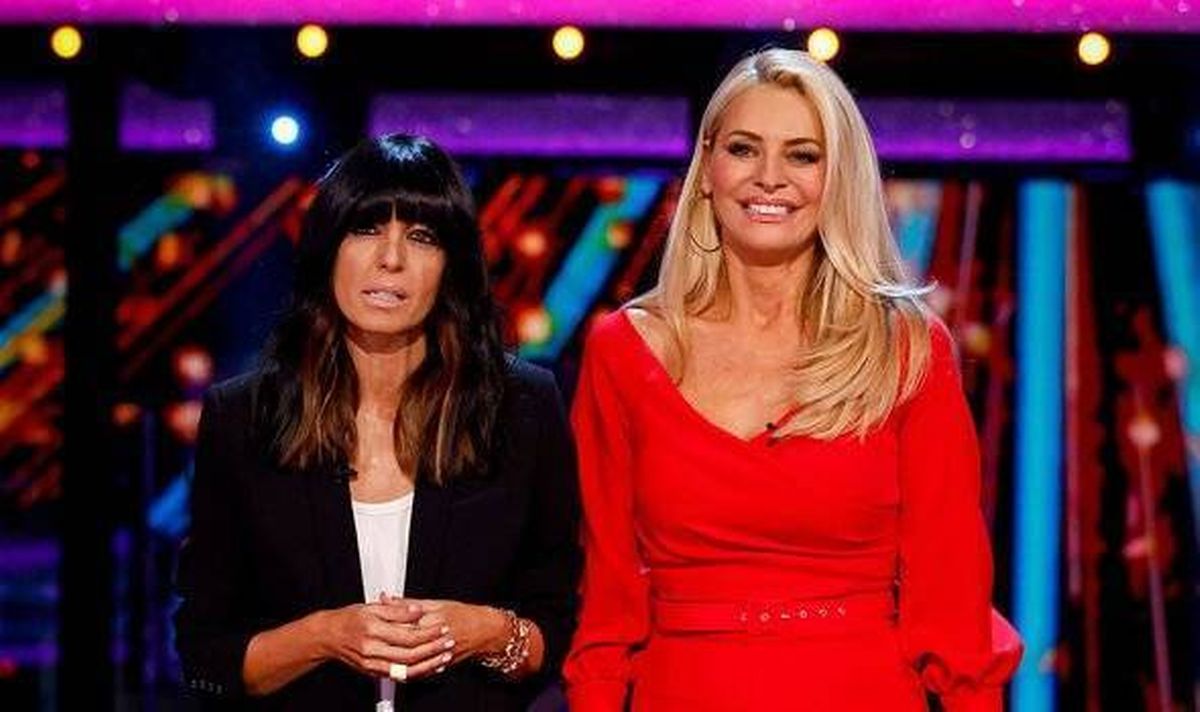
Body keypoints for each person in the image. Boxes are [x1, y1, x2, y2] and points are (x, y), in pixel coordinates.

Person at [564, 49, 1022, 711]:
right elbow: (606, 605)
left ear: (837, 179)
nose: (769, 178)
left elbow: (951, 598)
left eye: (802, 156)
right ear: (706, 169)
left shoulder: (906, 348)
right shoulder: (624, 352)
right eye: (744, 149)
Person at [174, 134, 580, 711]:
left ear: (452, 265)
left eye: (422, 237)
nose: (391, 258)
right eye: (366, 229)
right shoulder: (243, 419)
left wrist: (488, 631)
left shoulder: (522, 407)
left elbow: (559, 628)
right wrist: (324, 636)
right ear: (328, 247)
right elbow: (205, 659)